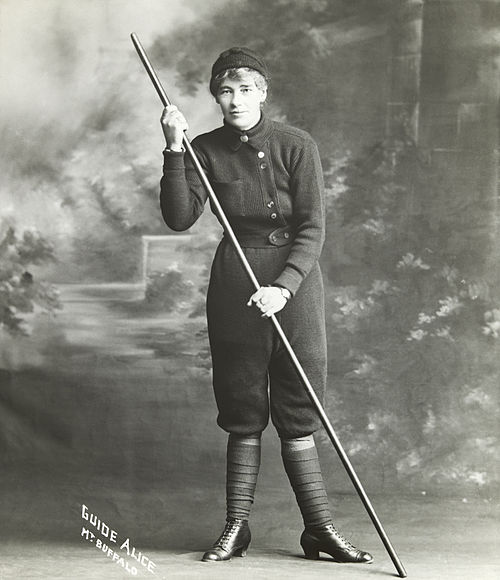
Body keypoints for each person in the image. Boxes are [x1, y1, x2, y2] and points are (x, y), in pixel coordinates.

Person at [159, 47, 372, 565]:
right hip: (235, 282)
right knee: (242, 404)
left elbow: (313, 227)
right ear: (215, 97)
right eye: (225, 91)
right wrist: (173, 150)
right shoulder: (203, 148)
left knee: (300, 406)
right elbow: (179, 218)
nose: (235, 100)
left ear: (264, 93)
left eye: (246, 89)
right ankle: (237, 526)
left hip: (294, 287)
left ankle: (319, 528)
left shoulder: (297, 145)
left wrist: (286, 285)